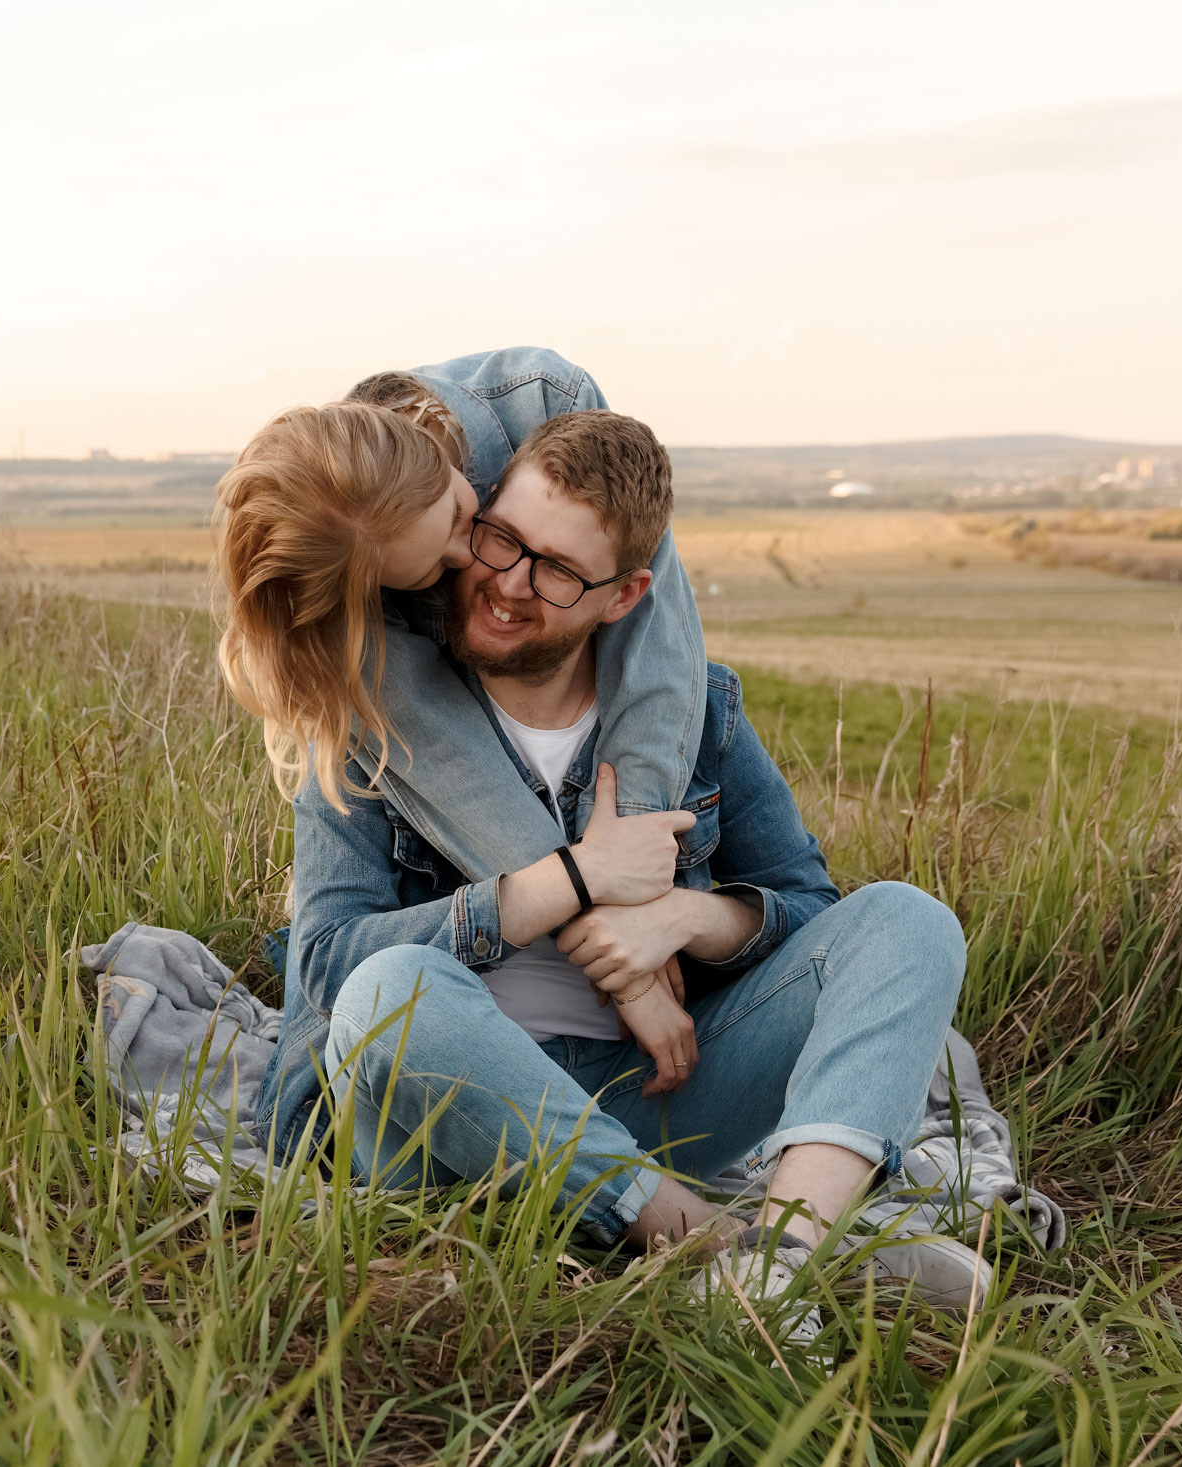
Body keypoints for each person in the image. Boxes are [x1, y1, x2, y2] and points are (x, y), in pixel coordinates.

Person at [253, 408, 987, 1332]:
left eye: (557, 570)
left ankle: (779, 1251)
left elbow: (811, 905)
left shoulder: (699, 712)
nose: (507, 584)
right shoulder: (370, 707)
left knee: (910, 921)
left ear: (627, 594)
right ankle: (739, 1248)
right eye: (501, 538)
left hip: (653, 1095)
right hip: (433, 1121)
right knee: (388, 989)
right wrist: (565, 882)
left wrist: (684, 919)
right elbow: (327, 962)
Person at [212, 350, 707, 889]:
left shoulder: (545, 400)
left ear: (431, 443)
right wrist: (592, 889)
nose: (470, 556)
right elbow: (451, 765)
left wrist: (634, 848)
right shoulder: (342, 584)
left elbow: (655, 653)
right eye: (434, 570)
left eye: (458, 517)